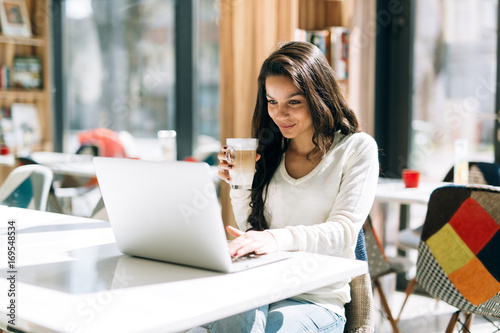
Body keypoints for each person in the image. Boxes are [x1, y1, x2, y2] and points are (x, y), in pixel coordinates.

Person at [209, 41, 379, 332]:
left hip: (315, 299)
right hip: (263, 284)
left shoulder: (356, 148)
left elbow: (344, 233)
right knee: (227, 315)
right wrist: (239, 186)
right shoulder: (269, 150)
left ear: (318, 96)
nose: (280, 114)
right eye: (272, 101)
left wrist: (275, 239)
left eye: (294, 102)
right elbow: (252, 230)